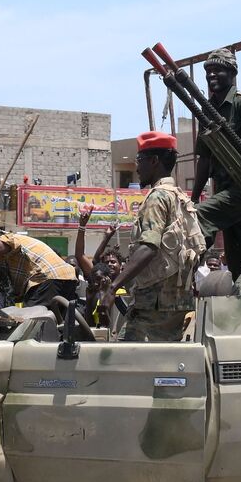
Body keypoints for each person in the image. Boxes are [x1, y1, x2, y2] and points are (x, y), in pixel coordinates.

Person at [101, 131, 206, 341]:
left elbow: (149, 247)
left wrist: (113, 288)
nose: (137, 167)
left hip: (153, 304)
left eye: (139, 160)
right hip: (177, 300)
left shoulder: (157, 198)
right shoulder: (178, 196)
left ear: (155, 161)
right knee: (163, 361)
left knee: (123, 362)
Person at [191, 48, 241, 279]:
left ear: (232, 73)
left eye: (218, 70)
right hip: (226, 189)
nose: (211, 75)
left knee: (198, 218)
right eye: (208, 71)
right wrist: (193, 197)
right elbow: (204, 158)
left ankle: (187, 269)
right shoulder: (207, 109)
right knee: (239, 254)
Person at [0, 231, 78, 309]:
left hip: (46, 276)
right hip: (66, 275)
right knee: (58, 329)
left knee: (31, 329)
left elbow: (9, 241)